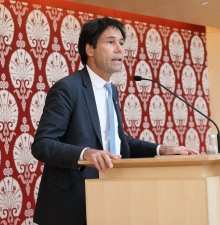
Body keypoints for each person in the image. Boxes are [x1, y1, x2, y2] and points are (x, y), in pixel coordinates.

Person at [31, 17, 199, 225]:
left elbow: (118, 142)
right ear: (90, 49)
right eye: (110, 42)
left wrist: (160, 149)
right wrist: (85, 153)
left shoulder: (112, 91)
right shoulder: (68, 89)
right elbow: (42, 145)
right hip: (71, 205)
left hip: (112, 198)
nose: (120, 49)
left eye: (121, 43)